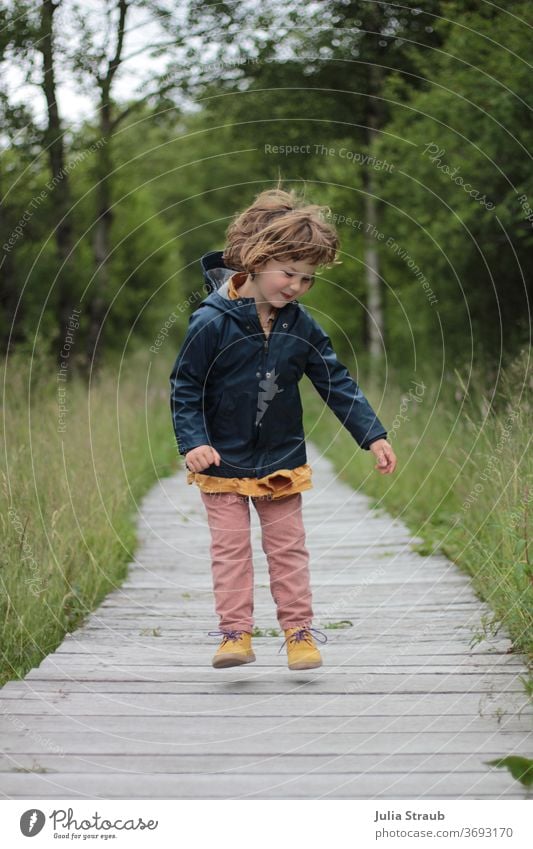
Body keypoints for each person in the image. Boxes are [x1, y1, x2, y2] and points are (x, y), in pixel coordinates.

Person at [169, 186, 397, 671]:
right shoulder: (211, 322)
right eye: (288, 273)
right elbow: (185, 386)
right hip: (221, 459)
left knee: (288, 550)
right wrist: (193, 443)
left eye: (308, 278)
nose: (295, 286)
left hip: (280, 460)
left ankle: (299, 635)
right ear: (255, 258)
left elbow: (335, 381)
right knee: (231, 552)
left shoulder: (302, 327)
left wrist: (372, 434)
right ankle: (235, 636)